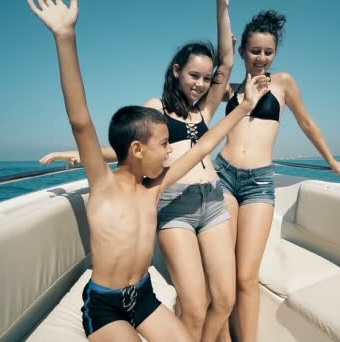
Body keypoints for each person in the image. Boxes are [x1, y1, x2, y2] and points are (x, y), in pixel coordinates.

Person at [27, 1, 268, 340]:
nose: (170, 151)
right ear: (138, 149)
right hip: (106, 303)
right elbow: (80, 121)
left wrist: (243, 108)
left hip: (142, 297)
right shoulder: (103, 184)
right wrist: (65, 37)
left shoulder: (155, 186)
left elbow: (202, 146)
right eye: (164, 145)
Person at [215, 10, 340, 342]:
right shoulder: (228, 89)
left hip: (259, 182)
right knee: (222, 274)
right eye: (254, 51)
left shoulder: (283, 83)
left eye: (268, 52)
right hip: (222, 178)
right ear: (242, 51)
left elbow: (307, 123)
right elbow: (212, 74)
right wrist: (223, 13)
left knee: (246, 275)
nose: (261, 58)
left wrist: (332, 160)